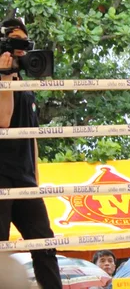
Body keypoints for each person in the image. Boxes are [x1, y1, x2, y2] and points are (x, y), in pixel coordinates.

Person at [0, 18, 62, 289]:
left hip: (25, 179)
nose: (21, 48)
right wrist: (4, 77)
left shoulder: (26, 85)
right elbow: (3, 120)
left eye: (25, 42)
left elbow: (33, 136)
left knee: (45, 244)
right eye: (15, 42)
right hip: (0, 178)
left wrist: (36, 179)